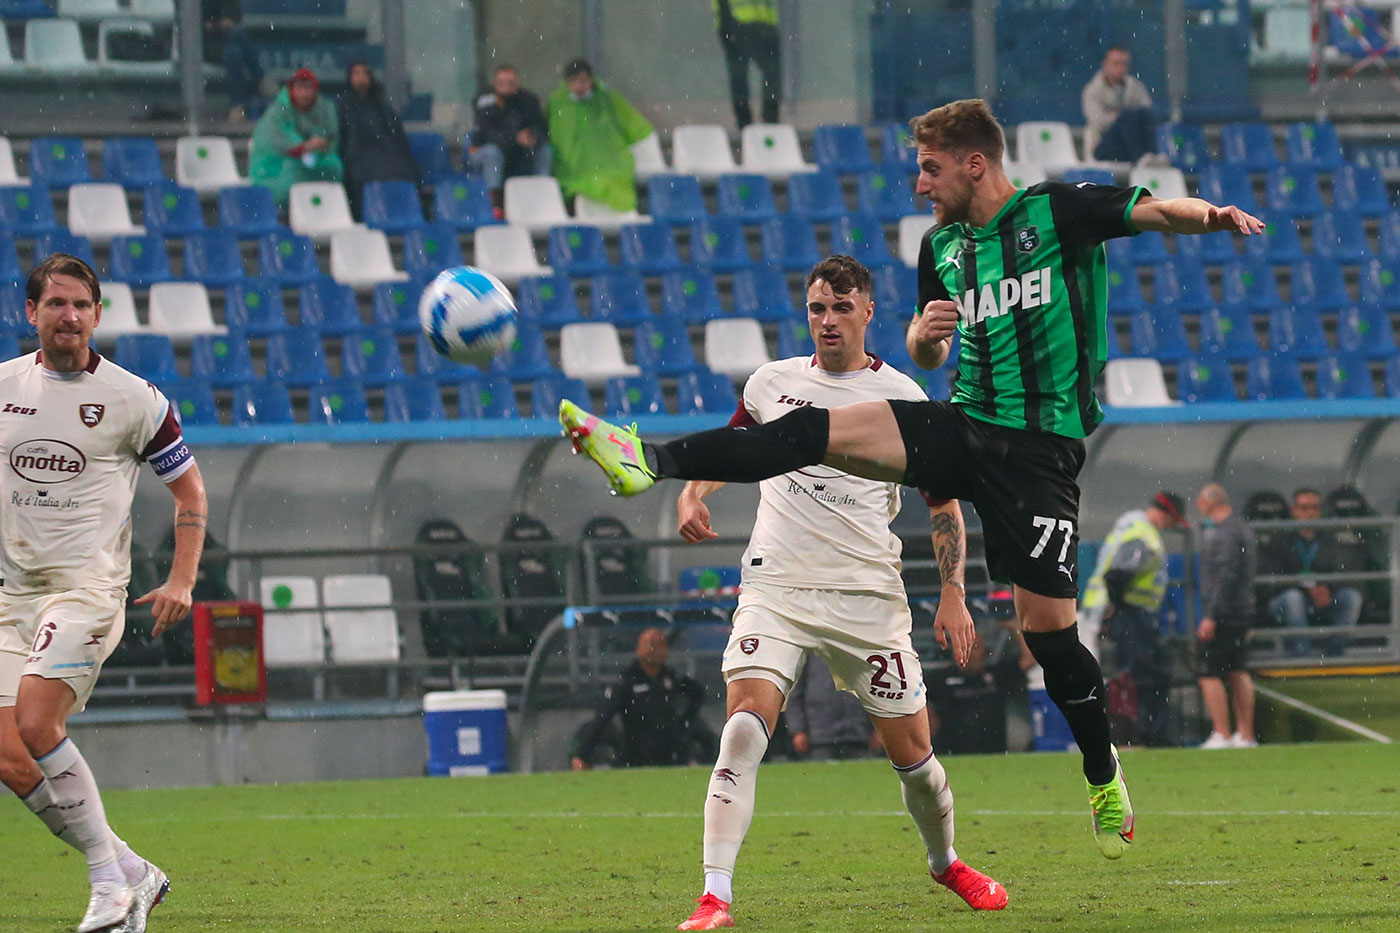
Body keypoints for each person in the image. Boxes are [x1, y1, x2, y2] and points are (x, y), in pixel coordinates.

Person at [559, 98, 1265, 861]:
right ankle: (648, 459)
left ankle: (1101, 768)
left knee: (1047, 632)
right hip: (963, 427)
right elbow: (929, 358)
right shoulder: (944, 247)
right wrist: (921, 342)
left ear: (974, 161)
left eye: (930, 167)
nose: (919, 183)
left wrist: (1212, 215)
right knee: (807, 432)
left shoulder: (1058, 211)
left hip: (1039, 453)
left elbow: (1157, 211)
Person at [669, 255, 1006, 929]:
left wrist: (953, 592)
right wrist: (690, 490)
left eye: (841, 308)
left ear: (869, 312)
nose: (827, 320)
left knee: (914, 758)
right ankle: (715, 896)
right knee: (742, 727)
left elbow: (943, 505)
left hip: (866, 598)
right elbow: (733, 446)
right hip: (778, 584)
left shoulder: (906, 398)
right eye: (818, 307)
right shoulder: (772, 383)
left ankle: (946, 863)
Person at [0, 254, 208, 933]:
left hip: (87, 589)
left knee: (37, 721)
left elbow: (189, 490)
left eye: (81, 305)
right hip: (13, 593)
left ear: (97, 313)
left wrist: (181, 577)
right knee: (7, 749)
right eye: (55, 304)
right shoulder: (2, 387)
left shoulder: (134, 398)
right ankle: (130, 869)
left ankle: (107, 887)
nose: (69, 316)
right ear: (30, 312)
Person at [1083, 491, 1188, 748]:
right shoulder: (1142, 534)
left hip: (1126, 612)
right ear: (1167, 514)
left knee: (1146, 672)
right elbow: (1117, 575)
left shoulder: (1132, 527)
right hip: (1130, 613)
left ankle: (1146, 733)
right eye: (1173, 521)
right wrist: (1119, 608)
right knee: (1144, 675)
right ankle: (1148, 734)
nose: (1171, 527)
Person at [571, 627, 715, 770]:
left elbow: (697, 694)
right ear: (638, 648)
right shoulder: (627, 681)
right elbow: (603, 717)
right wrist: (583, 754)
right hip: (637, 756)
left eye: (659, 644)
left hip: (671, 755)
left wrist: (684, 723)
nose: (654, 649)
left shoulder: (670, 677)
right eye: (649, 644)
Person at [1263, 487, 1363, 657]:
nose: (1310, 513)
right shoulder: (1280, 538)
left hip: (1322, 597)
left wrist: (1328, 589)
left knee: (1352, 597)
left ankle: (1335, 652)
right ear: (1293, 511)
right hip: (1286, 599)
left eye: (1314, 508)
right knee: (1293, 598)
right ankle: (1302, 655)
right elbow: (1274, 580)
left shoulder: (1329, 538)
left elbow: (1341, 571)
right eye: (1304, 508)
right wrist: (1306, 590)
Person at [1194, 483, 1258, 749]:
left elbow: (1225, 575)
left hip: (1225, 612)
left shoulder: (1224, 535)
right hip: (1242, 610)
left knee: (1208, 672)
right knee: (1238, 670)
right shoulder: (1243, 529)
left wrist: (1211, 614)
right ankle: (1245, 735)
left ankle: (1222, 732)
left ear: (1210, 502)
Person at [547, 59, 653, 213]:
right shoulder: (558, 104)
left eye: (583, 80)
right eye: (574, 81)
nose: (579, 86)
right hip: (574, 169)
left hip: (610, 163)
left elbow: (633, 125)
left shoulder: (607, 100)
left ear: (591, 80)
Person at [337, 60, 421, 220]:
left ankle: (402, 217)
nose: (361, 78)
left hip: (386, 156)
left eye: (364, 74)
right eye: (356, 74)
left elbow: (396, 137)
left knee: (406, 171)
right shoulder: (343, 106)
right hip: (359, 159)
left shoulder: (382, 105)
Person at [249, 67, 342, 205]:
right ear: (291, 89)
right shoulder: (278, 111)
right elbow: (276, 141)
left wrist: (321, 146)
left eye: (308, 88)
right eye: (299, 88)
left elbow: (330, 137)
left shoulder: (324, 109)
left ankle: (327, 209)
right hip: (277, 165)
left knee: (334, 166)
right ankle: (285, 213)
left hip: (311, 161)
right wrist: (304, 147)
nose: (303, 93)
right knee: (292, 171)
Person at [469, 64, 552, 215]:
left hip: (518, 153)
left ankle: (543, 197)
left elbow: (541, 127)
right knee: (493, 153)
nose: (506, 86)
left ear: (517, 83)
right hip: (485, 152)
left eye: (511, 83)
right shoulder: (485, 100)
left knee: (544, 151)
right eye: (502, 83)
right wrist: (515, 138)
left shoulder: (528, 100)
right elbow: (488, 133)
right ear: (494, 83)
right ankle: (495, 203)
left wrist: (532, 137)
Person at [786, 654, 879, 761]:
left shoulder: (859, 649)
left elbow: (874, 690)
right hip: (820, 736)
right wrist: (797, 730)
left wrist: (877, 729)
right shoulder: (809, 652)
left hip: (858, 734)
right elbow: (795, 693)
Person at [1081, 46, 1157, 163]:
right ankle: (1141, 158)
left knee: (1139, 115)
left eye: (1124, 64)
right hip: (1104, 145)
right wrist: (1121, 118)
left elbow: (1146, 112)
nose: (1121, 68)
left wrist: (1119, 116)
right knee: (1127, 117)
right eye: (1116, 64)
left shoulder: (1135, 87)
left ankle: (1152, 156)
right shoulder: (1093, 90)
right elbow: (1097, 121)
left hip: (1127, 146)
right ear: (1105, 64)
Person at [715, 0, 780, 129]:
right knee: (740, 74)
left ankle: (765, 119)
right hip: (738, 20)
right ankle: (747, 121)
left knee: (770, 73)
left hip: (764, 22)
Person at [202, 0, 263, 122]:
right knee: (239, 35)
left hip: (229, 43)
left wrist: (223, 23)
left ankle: (238, 106)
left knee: (234, 53)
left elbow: (236, 16)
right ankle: (260, 79)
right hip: (206, 45)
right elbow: (201, 25)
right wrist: (220, 24)